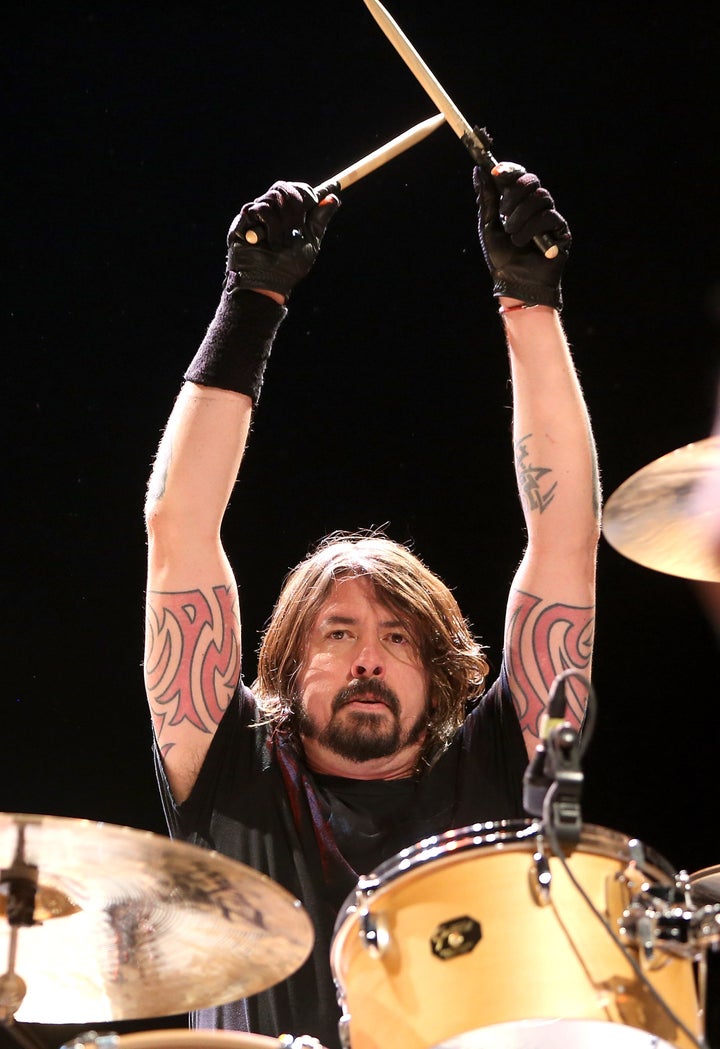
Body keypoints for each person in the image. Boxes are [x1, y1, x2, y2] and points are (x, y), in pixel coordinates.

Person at [143, 162, 600, 1049]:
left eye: (398, 637)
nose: (368, 657)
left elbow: (566, 540)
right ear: (285, 661)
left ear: (439, 671)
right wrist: (252, 301)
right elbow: (178, 526)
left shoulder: (505, 764)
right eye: (339, 632)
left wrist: (529, 303)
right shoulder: (233, 769)